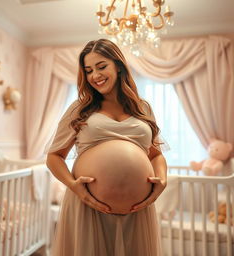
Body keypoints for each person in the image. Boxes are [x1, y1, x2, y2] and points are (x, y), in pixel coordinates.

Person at [46, 38, 167, 256]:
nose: (95, 76)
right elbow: (54, 156)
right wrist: (74, 186)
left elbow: (156, 155)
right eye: (89, 70)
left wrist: (162, 180)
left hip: (137, 210)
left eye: (102, 67)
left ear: (118, 66)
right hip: (88, 206)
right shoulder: (79, 109)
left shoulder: (143, 108)